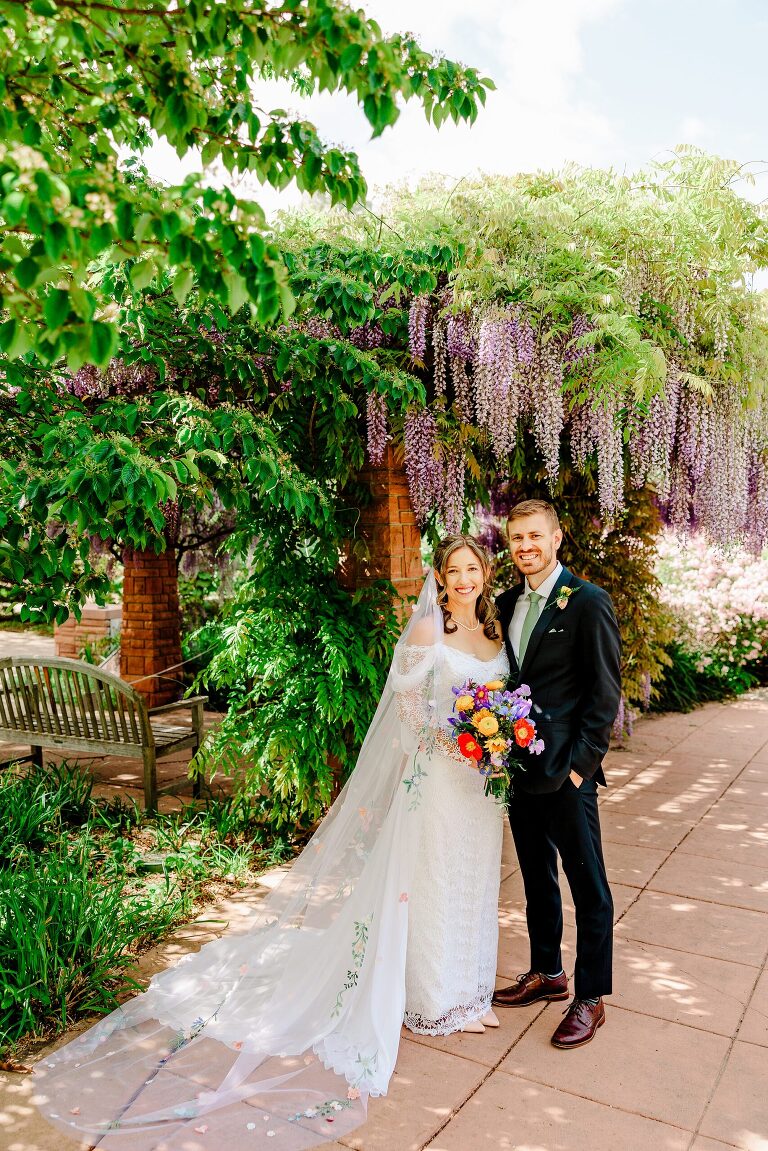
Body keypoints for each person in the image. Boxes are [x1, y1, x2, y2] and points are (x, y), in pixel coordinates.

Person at [35, 535, 507, 1151]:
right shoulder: (427, 636)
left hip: (482, 789)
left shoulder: (496, 638)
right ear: (440, 578)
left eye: (473, 569)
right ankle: (436, 997)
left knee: (472, 878)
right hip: (439, 781)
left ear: (484, 574)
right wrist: (461, 747)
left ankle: (469, 992)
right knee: (436, 881)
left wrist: (498, 749)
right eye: (454, 570)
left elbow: (500, 704)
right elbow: (410, 715)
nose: (465, 579)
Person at [493, 499, 621, 1049]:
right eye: (517, 538)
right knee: (535, 877)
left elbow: (605, 692)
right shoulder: (505, 603)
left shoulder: (588, 601)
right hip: (519, 771)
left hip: (567, 773)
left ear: (556, 537)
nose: (525, 547)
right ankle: (548, 971)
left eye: (534, 536)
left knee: (587, 884)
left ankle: (589, 996)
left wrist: (581, 768)